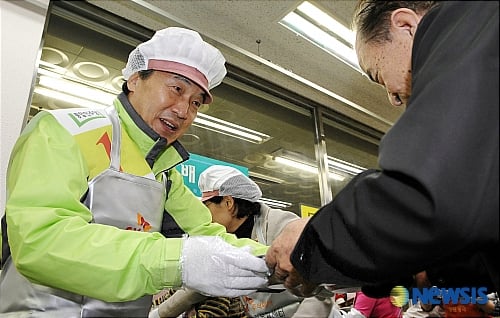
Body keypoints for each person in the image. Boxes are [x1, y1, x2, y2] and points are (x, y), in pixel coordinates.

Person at [0, 27, 270, 317]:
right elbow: (41, 243)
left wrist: (279, 259)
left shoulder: (165, 174)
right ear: (134, 79)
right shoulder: (63, 131)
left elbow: (209, 235)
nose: (184, 111)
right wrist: (178, 260)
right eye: (176, 89)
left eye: (195, 103)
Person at [265, 0, 498, 299]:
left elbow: (428, 192)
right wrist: (427, 271)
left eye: (377, 74)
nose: (391, 98)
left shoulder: (475, 28)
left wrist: (313, 239)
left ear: (405, 25)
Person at [150, 165, 333, 318]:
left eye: (206, 206)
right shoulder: (224, 241)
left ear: (228, 202)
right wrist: (158, 314)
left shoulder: (281, 226)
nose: (204, 215)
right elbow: (196, 289)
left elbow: (320, 291)